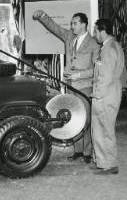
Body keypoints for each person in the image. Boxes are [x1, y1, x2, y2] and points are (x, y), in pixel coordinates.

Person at [32, 10, 98, 163]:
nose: (72, 26)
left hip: (84, 86)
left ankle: (88, 152)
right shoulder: (69, 36)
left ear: (83, 25)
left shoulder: (94, 43)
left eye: (75, 23)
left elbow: (96, 69)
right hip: (70, 86)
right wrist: (42, 16)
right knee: (74, 118)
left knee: (86, 119)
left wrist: (79, 75)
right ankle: (78, 150)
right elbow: (54, 27)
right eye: (72, 24)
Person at [91, 18, 125, 175]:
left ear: (102, 31)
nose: (94, 34)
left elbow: (106, 75)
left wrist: (97, 95)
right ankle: (103, 161)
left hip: (105, 95)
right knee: (102, 129)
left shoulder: (108, 49)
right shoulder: (114, 45)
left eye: (96, 31)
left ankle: (110, 164)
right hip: (111, 92)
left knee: (104, 130)